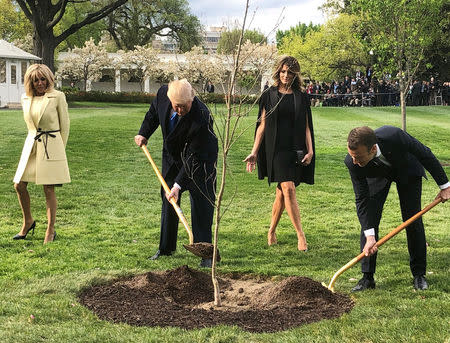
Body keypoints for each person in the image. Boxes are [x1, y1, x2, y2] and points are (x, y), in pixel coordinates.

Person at [345, 126, 450, 291]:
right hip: (379, 174)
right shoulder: (353, 162)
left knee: (412, 219)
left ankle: (419, 274)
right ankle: (367, 278)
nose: (354, 162)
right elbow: (362, 199)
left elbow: (425, 154)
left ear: (373, 149)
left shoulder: (394, 136)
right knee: (369, 222)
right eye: (352, 156)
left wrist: (445, 186)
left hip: (407, 171)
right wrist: (370, 236)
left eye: (358, 157)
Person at [134, 79, 218, 267]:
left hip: (200, 161)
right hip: (172, 158)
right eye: (177, 106)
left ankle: (204, 252)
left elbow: (193, 156)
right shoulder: (163, 95)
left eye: (184, 106)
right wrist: (143, 133)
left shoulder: (202, 116)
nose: (180, 110)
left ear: (192, 98)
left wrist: (178, 185)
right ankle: (166, 248)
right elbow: (153, 115)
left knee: (201, 204)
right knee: (168, 199)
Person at [244, 56, 315, 251]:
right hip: (275, 149)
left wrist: (310, 150)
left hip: (295, 149)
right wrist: (254, 152)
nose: (285, 75)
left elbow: (307, 126)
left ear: (295, 75)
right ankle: (301, 235)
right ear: (278, 72)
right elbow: (262, 125)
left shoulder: (301, 96)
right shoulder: (269, 94)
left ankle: (271, 230)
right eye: (283, 71)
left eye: (290, 72)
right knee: (289, 188)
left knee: (282, 193)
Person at [13, 64, 70, 244]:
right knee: (19, 185)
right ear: (30, 81)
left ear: (49, 79)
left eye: (43, 79)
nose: (40, 83)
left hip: (52, 146)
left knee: (48, 189)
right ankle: (28, 221)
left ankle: (50, 230)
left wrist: (59, 152)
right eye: (35, 80)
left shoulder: (58, 97)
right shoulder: (25, 98)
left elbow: (65, 127)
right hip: (31, 146)